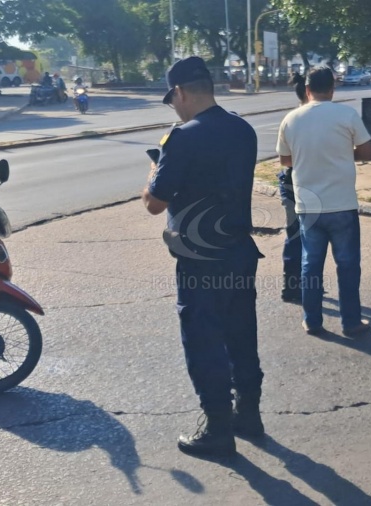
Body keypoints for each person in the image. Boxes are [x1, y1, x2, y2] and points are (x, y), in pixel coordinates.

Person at [142, 56, 264, 458]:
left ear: (179, 92)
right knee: (241, 333)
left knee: (203, 340)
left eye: (172, 100)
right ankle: (249, 413)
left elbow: (154, 203)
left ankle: (217, 429)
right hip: (240, 251)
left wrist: (154, 171)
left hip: (200, 259)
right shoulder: (242, 129)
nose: (174, 108)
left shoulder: (182, 138)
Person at [275, 67, 371, 337]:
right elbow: (368, 151)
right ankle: (351, 323)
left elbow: (285, 160)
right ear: (332, 89)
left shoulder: (291, 119)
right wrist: (342, 154)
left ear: (307, 90)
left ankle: (312, 320)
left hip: (308, 206)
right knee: (348, 266)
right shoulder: (347, 115)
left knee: (310, 265)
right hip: (342, 204)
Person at [277, 72, 308, 303]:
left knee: (294, 235)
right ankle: (302, 284)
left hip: (290, 183)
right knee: (308, 238)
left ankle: (292, 285)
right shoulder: (310, 120)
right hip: (307, 185)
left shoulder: (291, 119)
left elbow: (284, 160)